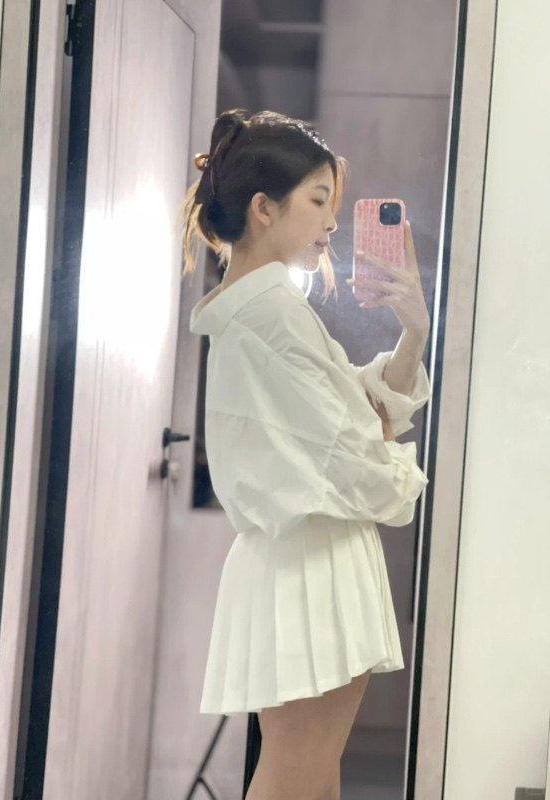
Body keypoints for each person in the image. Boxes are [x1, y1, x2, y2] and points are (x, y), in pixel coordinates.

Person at [182, 108, 432, 800]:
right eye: (318, 201)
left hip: (303, 560)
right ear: (264, 208)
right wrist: (390, 464)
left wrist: (412, 333)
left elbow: (358, 418)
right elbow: (353, 454)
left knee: (308, 775)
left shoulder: (265, 312)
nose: (331, 223)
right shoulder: (271, 317)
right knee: (299, 775)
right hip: (312, 563)